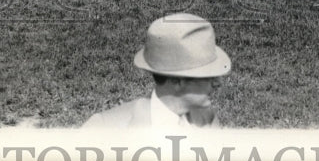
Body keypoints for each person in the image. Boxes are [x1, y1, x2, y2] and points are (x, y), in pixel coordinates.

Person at [81, 13, 230, 128]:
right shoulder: (106, 128)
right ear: (176, 81)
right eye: (208, 76)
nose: (218, 83)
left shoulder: (206, 119)